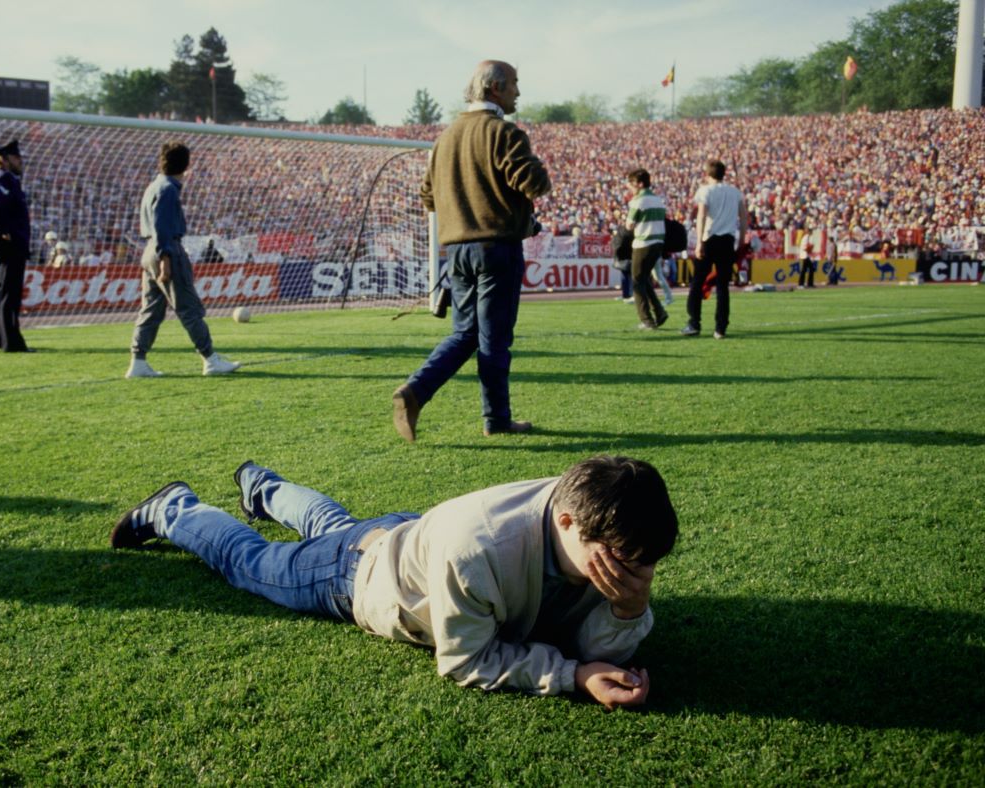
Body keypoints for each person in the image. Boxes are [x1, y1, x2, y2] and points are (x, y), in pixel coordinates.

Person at [110, 455, 678, 706]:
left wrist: (630, 608)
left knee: (338, 524)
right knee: (252, 564)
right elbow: (465, 661)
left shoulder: (595, 500)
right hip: (360, 575)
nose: (632, 575)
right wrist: (574, 676)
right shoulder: (479, 551)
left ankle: (263, 487)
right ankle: (175, 509)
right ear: (566, 522)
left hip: (412, 538)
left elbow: (592, 636)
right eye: (623, 562)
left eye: (645, 565)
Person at [392, 60, 550, 441]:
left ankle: (416, 392)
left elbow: (428, 197)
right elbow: (536, 183)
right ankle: (493, 418)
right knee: (494, 339)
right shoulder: (503, 132)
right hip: (496, 247)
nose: (518, 92)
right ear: (495, 87)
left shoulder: (444, 139)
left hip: (457, 250)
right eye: (514, 83)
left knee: (465, 334)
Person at [127, 142, 240, 378]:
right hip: (165, 250)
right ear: (187, 164)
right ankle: (210, 359)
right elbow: (162, 226)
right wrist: (166, 259)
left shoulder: (154, 186)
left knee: (150, 309)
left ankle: (137, 361)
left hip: (149, 251)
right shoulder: (168, 189)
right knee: (188, 307)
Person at [682, 160, 748, 340]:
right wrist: (741, 240)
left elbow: (702, 215)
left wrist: (699, 242)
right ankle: (720, 328)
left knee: (697, 282)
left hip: (709, 238)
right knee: (722, 286)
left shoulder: (705, 191)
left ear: (707, 174)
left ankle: (694, 322)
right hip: (727, 240)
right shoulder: (735, 192)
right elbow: (743, 218)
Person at [0, 139, 32, 353]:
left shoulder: (6, 178)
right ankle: (11, 342)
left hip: (9, 243)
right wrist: (4, 232)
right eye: (16, 157)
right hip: (9, 244)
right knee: (10, 293)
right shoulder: (3, 178)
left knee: (5, 291)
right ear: (4, 160)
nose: (20, 161)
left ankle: (0, 338)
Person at [624, 168, 670, 330]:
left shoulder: (637, 201)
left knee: (637, 282)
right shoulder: (658, 199)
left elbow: (629, 225)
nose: (629, 186)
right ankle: (660, 312)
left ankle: (647, 320)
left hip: (643, 243)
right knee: (644, 280)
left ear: (640, 184)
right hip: (658, 242)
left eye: (631, 183)